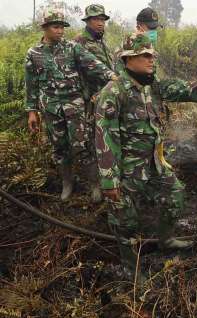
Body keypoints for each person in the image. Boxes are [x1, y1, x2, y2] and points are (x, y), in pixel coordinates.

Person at [95, 33, 197, 271]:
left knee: (176, 195)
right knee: (125, 222)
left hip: (154, 164)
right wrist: (109, 180)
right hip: (127, 169)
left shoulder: (153, 86)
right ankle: (131, 270)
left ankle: (166, 239)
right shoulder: (114, 92)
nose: (151, 60)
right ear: (128, 59)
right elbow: (104, 136)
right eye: (145, 56)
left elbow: (188, 88)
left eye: (152, 55)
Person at [25, 9, 116, 201]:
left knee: (82, 145)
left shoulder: (72, 48)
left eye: (62, 27)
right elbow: (31, 84)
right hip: (50, 108)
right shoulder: (34, 54)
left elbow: (93, 64)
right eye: (55, 27)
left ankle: (94, 184)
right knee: (59, 148)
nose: (60, 31)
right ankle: (67, 183)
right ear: (45, 28)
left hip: (74, 105)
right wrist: (32, 111)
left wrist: (112, 76)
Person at [74, 4, 114, 202]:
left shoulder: (102, 42)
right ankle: (95, 185)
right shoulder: (80, 42)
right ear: (88, 21)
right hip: (91, 101)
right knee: (92, 142)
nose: (100, 23)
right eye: (95, 20)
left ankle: (110, 180)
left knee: (108, 137)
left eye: (102, 20)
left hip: (107, 98)